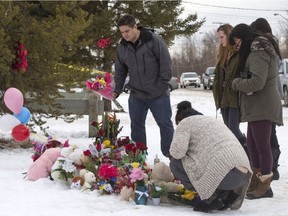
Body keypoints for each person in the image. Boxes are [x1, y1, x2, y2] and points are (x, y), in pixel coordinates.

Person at [229, 24, 283, 199]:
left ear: (244, 39)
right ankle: (256, 181)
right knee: (252, 145)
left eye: (237, 43)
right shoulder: (253, 51)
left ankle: (265, 186)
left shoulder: (259, 52)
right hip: (255, 105)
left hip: (263, 105)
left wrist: (236, 83)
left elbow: (257, 83)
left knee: (262, 146)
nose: (237, 47)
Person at [169, 101, 252, 213]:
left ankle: (211, 197)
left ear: (179, 120)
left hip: (226, 176)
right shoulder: (212, 121)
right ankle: (226, 194)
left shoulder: (185, 123)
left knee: (175, 163)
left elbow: (177, 153)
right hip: (242, 175)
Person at [112, 14, 174, 157]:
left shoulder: (153, 40)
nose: (124, 35)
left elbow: (166, 63)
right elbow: (120, 70)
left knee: (165, 125)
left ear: (135, 27)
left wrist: (161, 84)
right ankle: (139, 157)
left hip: (158, 94)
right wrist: (117, 89)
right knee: (137, 127)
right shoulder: (122, 47)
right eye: (122, 32)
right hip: (137, 95)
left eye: (127, 31)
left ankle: (171, 157)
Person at [250, 18, 282, 181]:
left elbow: (266, 77)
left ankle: (271, 170)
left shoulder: (264, 47)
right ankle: (271, 170)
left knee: (266, 139)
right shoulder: (272, 46)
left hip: (268, 98)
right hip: (272, 96)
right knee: (269, 137)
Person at [212, 24, 248, 155]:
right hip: (223, 98)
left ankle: (248, 152)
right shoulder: (222, 55)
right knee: (227, 131)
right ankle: (235, 158)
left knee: (233, 129)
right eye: (219, 38)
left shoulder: (238, 54)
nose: (220, 40)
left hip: (234, 98)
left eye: (222, 37)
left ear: (229, 35)